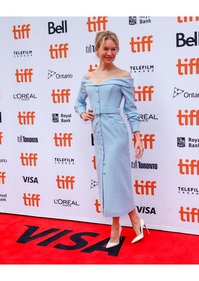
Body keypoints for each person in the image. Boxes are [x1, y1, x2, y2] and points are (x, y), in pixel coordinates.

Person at [74, 30, 149, 248]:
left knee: (116, 177)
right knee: (106, 177)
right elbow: (78, 102)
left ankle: (115, 227)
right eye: (105, 49)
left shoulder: (123, 76)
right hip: (98, 131)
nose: (109, 53)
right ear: (96, 49)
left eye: (113, 49)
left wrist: (137, 135)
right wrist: (82, 113)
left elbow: (131, 110)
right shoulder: (87, 78)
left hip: (116, 130)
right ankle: (135, 220)